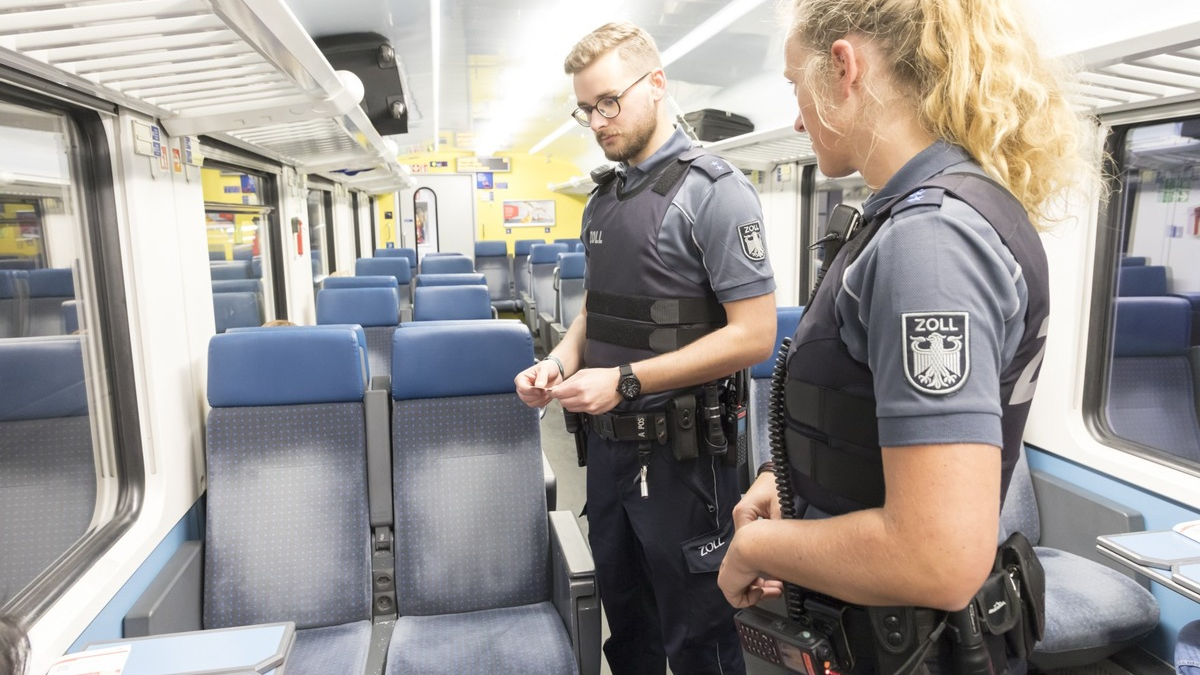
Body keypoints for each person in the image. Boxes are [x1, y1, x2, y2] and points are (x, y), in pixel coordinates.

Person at [718, 0, 1098, 674]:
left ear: (844, 66)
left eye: (793, 87)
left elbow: (939, 556)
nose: (797, 118)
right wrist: (788, 477)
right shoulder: (927, 214)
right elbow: (865, 418)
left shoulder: (931, 241)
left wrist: (758, 548)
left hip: (904, 649)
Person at [514, 21, 777, 675]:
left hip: (685, 460)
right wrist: (557, 363)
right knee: (626, 627)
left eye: (609, 101)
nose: (598, 120)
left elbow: (754, 335)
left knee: (698, 637)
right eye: (586, 108)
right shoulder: (602, 202)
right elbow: (596, 315)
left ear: (656, 85)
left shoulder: (714, 193)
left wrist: (625, 380)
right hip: (607, 452)